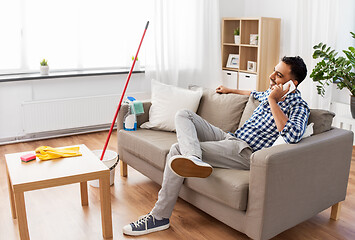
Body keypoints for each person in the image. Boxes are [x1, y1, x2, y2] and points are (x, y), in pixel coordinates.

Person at [122, 56, 310, 236]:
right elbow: (253, 94)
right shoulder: (269, 93)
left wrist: (272, 101)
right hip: (230, 138)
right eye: (274, 71)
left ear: (291, 83)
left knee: (176, 150)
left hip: (244, 152)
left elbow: (291, 134)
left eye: (278, 75)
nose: (271, 76)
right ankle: (194, 158)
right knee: (183, 115)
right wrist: (230, 90)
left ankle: (159, 217)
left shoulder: (299, 107)